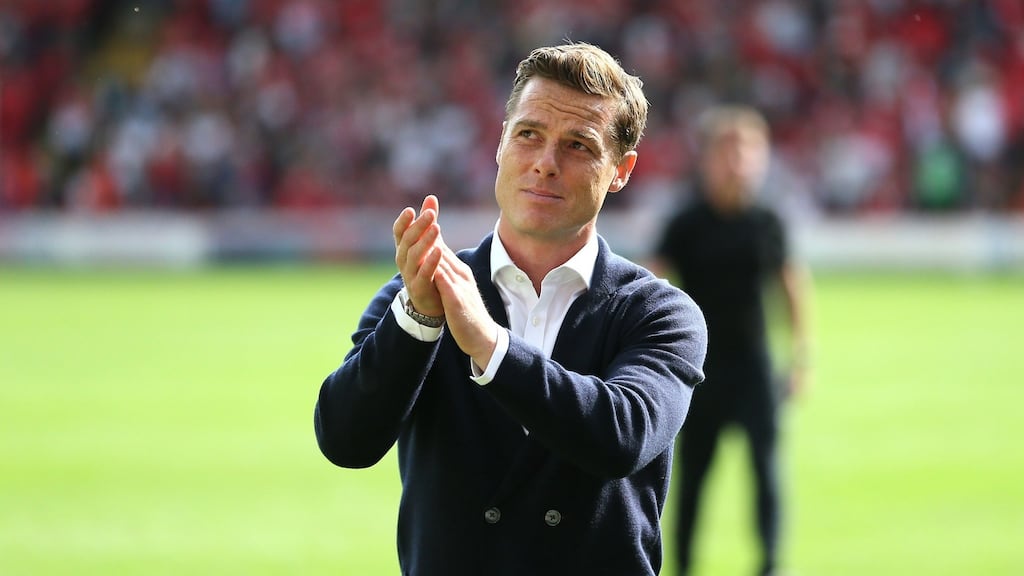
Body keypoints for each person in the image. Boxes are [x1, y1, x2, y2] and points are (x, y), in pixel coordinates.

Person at [313, 42, 708, 576]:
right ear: (500, 143)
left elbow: (621, 437)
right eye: (528, 135)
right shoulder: (415, 297)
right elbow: (345, 441)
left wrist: (490, 346)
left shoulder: (660, 312)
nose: (546, 163)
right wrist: (419, 320)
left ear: (621, 170)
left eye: (578, 145)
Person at [650, 105, 812, 576]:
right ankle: (679, 566)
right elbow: (648, 282)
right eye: (728, 151)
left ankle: (769, 565)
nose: (737, 162)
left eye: (747, 151)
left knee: (766, 474)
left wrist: (801, 359)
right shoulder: (686, 222)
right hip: (698, 372)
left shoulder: (767, 222)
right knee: (692, 478)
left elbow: (791, 288)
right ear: (708, 159)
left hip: (755, 367)